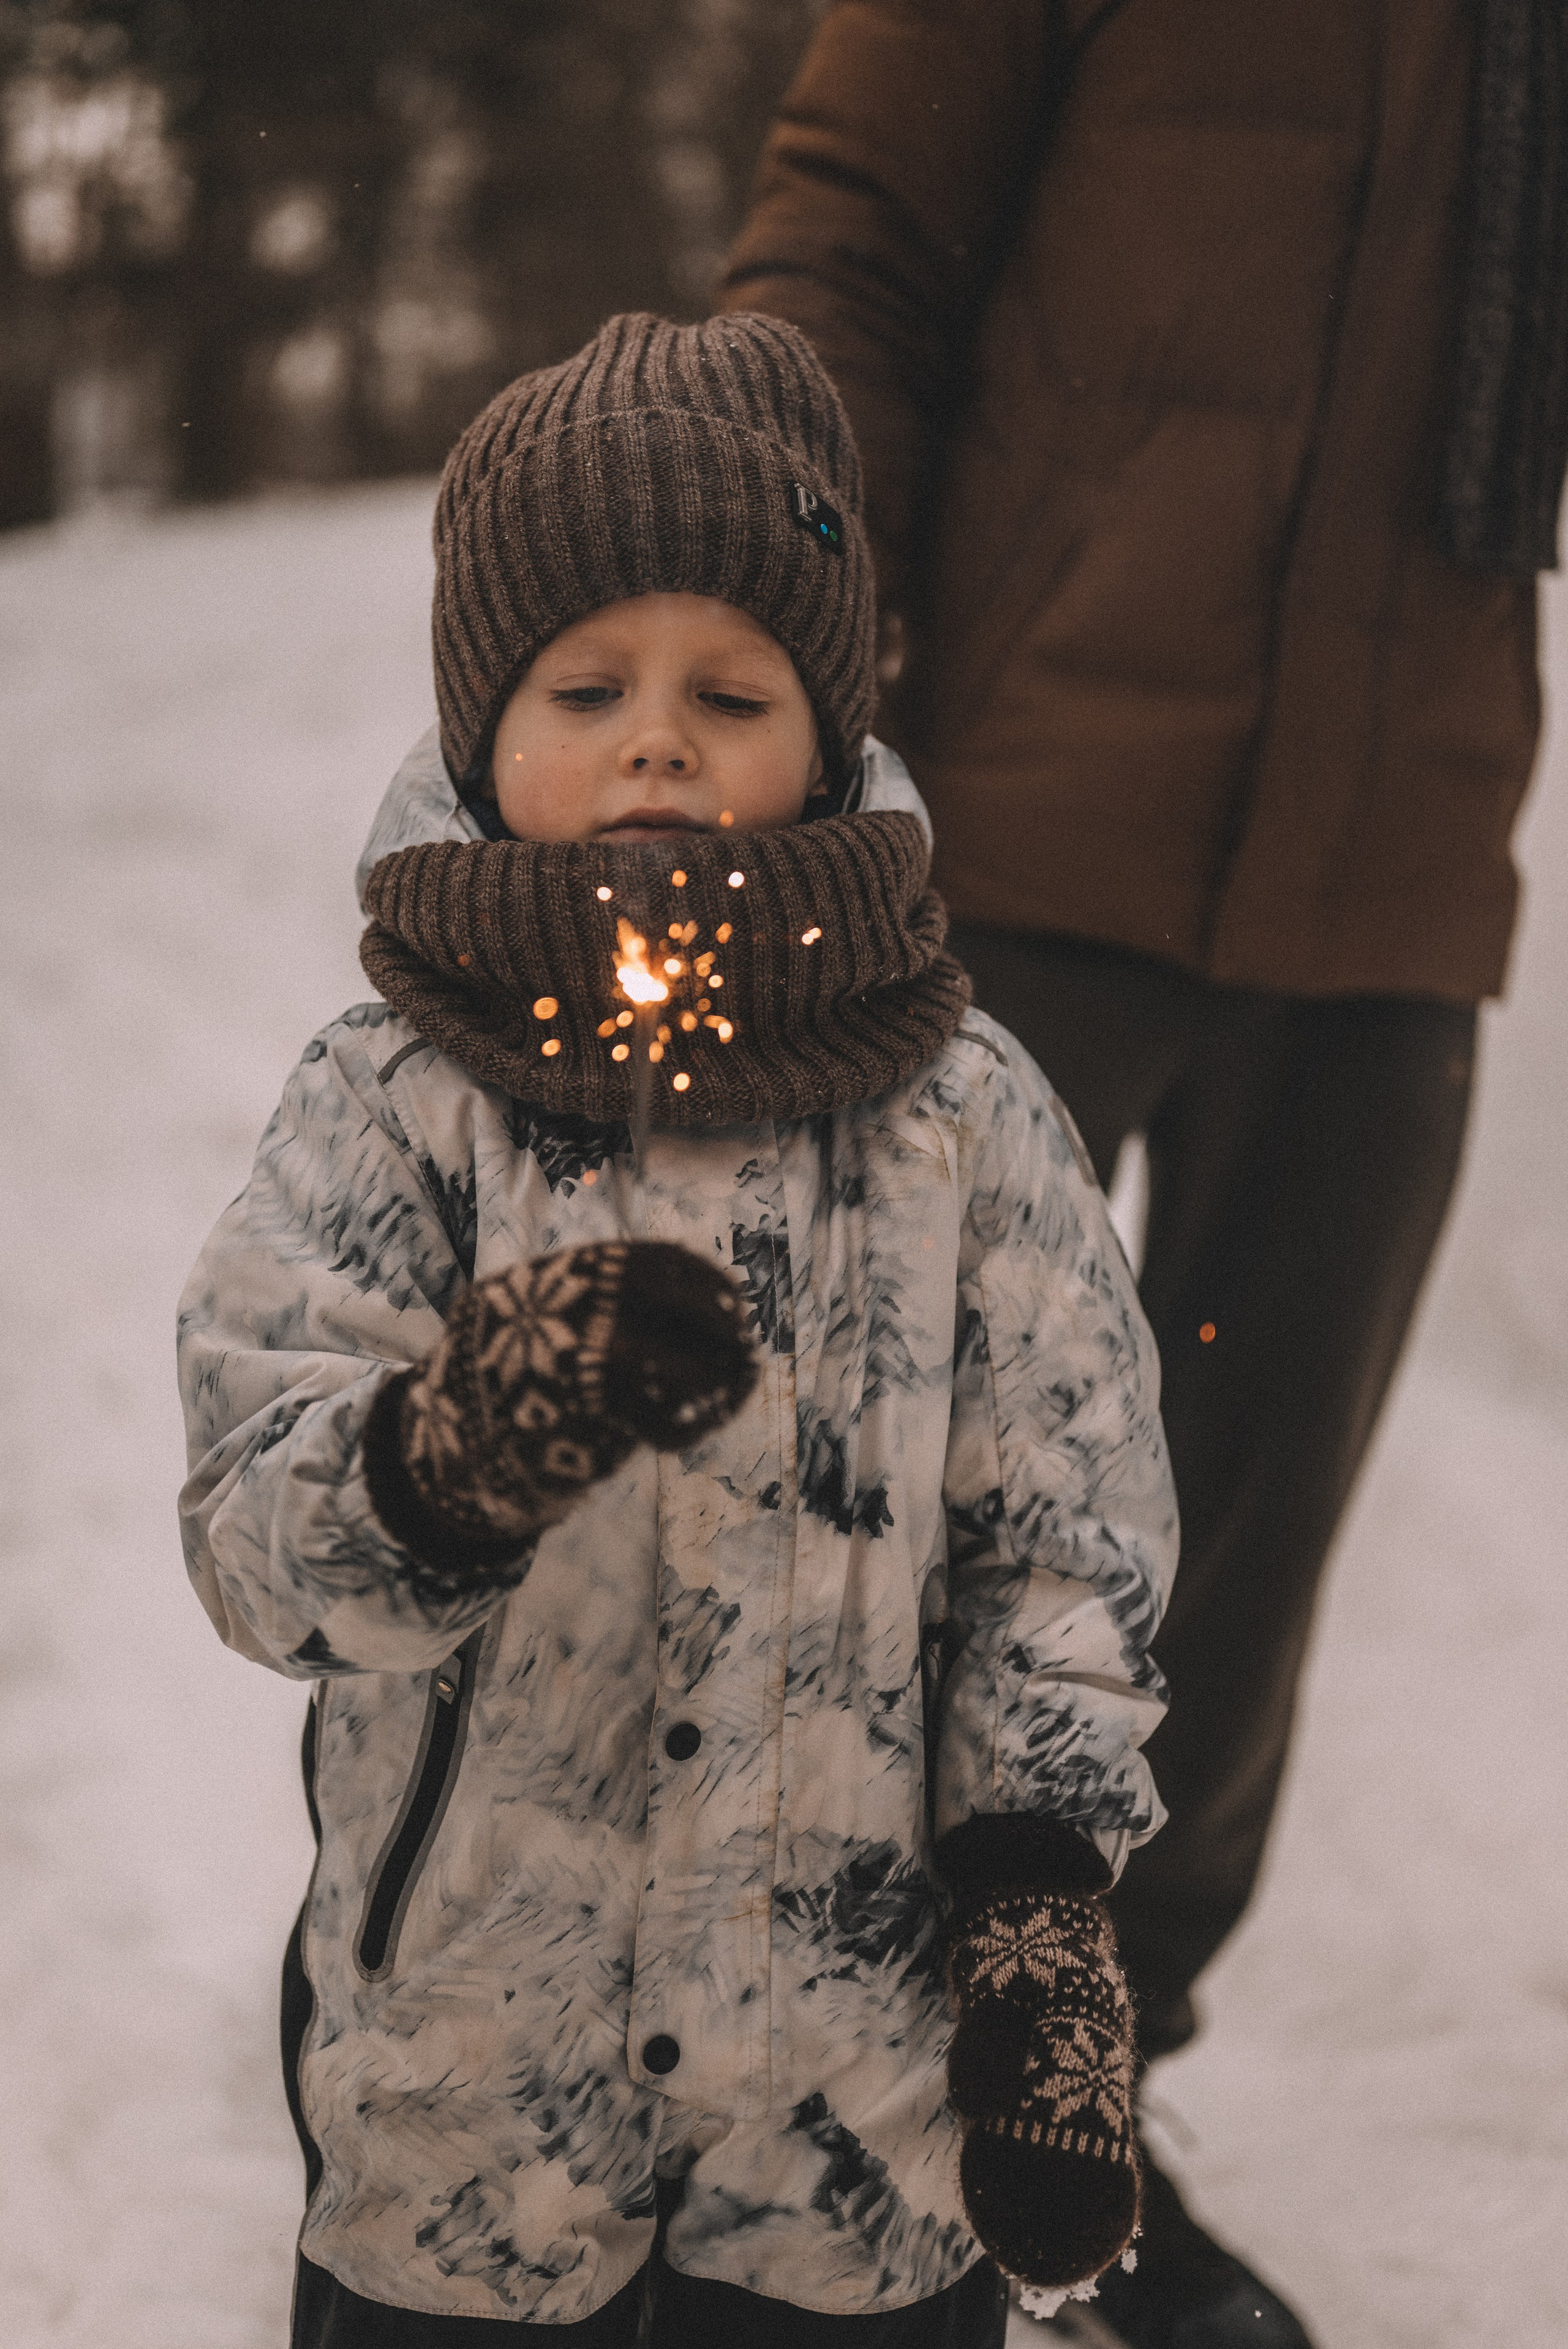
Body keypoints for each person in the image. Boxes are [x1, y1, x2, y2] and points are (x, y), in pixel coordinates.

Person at [176, 311, 1180, 2347]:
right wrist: (450, 1450)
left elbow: (1062, 1545)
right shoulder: (396, 1102)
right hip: (471, 2124)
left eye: (731, 690)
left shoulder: (964, 1114)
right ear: (483, 730)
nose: (659, 739)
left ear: (829, 734)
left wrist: (1043, 1923)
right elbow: (259, 1540)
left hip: (849, 2132)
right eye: (588, 685)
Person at [718, 4, 1559, 2343]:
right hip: (1016, 799)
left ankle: (1066, 2114)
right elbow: (855, 242)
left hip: (1394, 848)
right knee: (865, 1510)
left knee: (1232, 1553)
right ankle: (750, 2090)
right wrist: (766, 648)